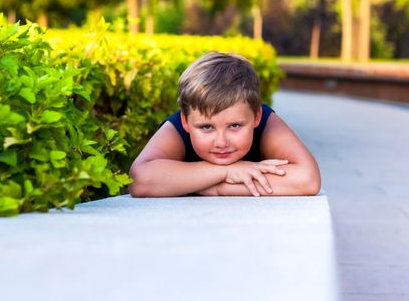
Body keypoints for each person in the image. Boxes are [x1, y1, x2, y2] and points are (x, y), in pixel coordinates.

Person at [129, 52, 320, 197]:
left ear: (256, 116)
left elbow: (307, 179)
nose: (221, 142)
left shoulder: (267, 124)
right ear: (185, 121)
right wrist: (227, 171)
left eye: (235, 126)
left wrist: (218, 187)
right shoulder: (177, 128)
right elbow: (140, 180)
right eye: (206, 127)